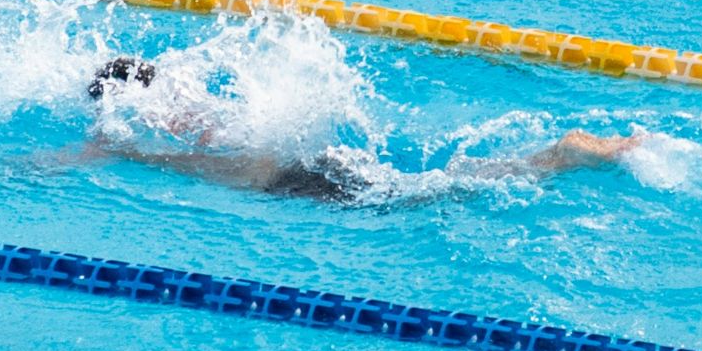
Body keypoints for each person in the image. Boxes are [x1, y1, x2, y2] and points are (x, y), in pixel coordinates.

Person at [84, 56, 641, 204]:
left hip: (291, 177)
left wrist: (126, 153)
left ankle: (558, 157)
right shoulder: (202, 102)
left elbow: (229, 167)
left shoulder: (178, 125)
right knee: (433, 182)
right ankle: (551, 157)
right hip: (315, 162)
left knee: (433, 192)